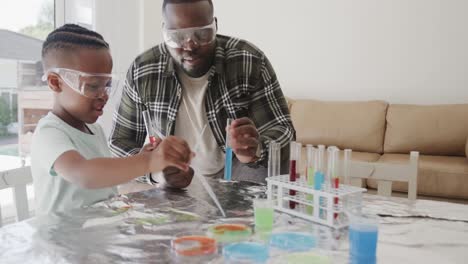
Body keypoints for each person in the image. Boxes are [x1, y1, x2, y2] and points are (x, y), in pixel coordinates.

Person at [110, 0, 295, 185]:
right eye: (177, 37)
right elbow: (120, 141)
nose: (190, 46)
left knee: (266, 178)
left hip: (237, 174)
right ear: (164, 32)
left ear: (215, 26)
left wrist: (256, 149)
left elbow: (283, 131)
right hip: (172, 181)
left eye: (202, 34)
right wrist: (155, 172)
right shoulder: (143, 70)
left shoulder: (249, 61)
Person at [31, 24, 193, 214]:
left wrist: (141, 158)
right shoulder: (49, 133)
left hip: (97, 233)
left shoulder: (95, 130)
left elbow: (105, 177)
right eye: (92, 86)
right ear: (55, 82)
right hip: (61, 241)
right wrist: (148, 162)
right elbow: (85, 175)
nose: (104, 95)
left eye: (107, 85)